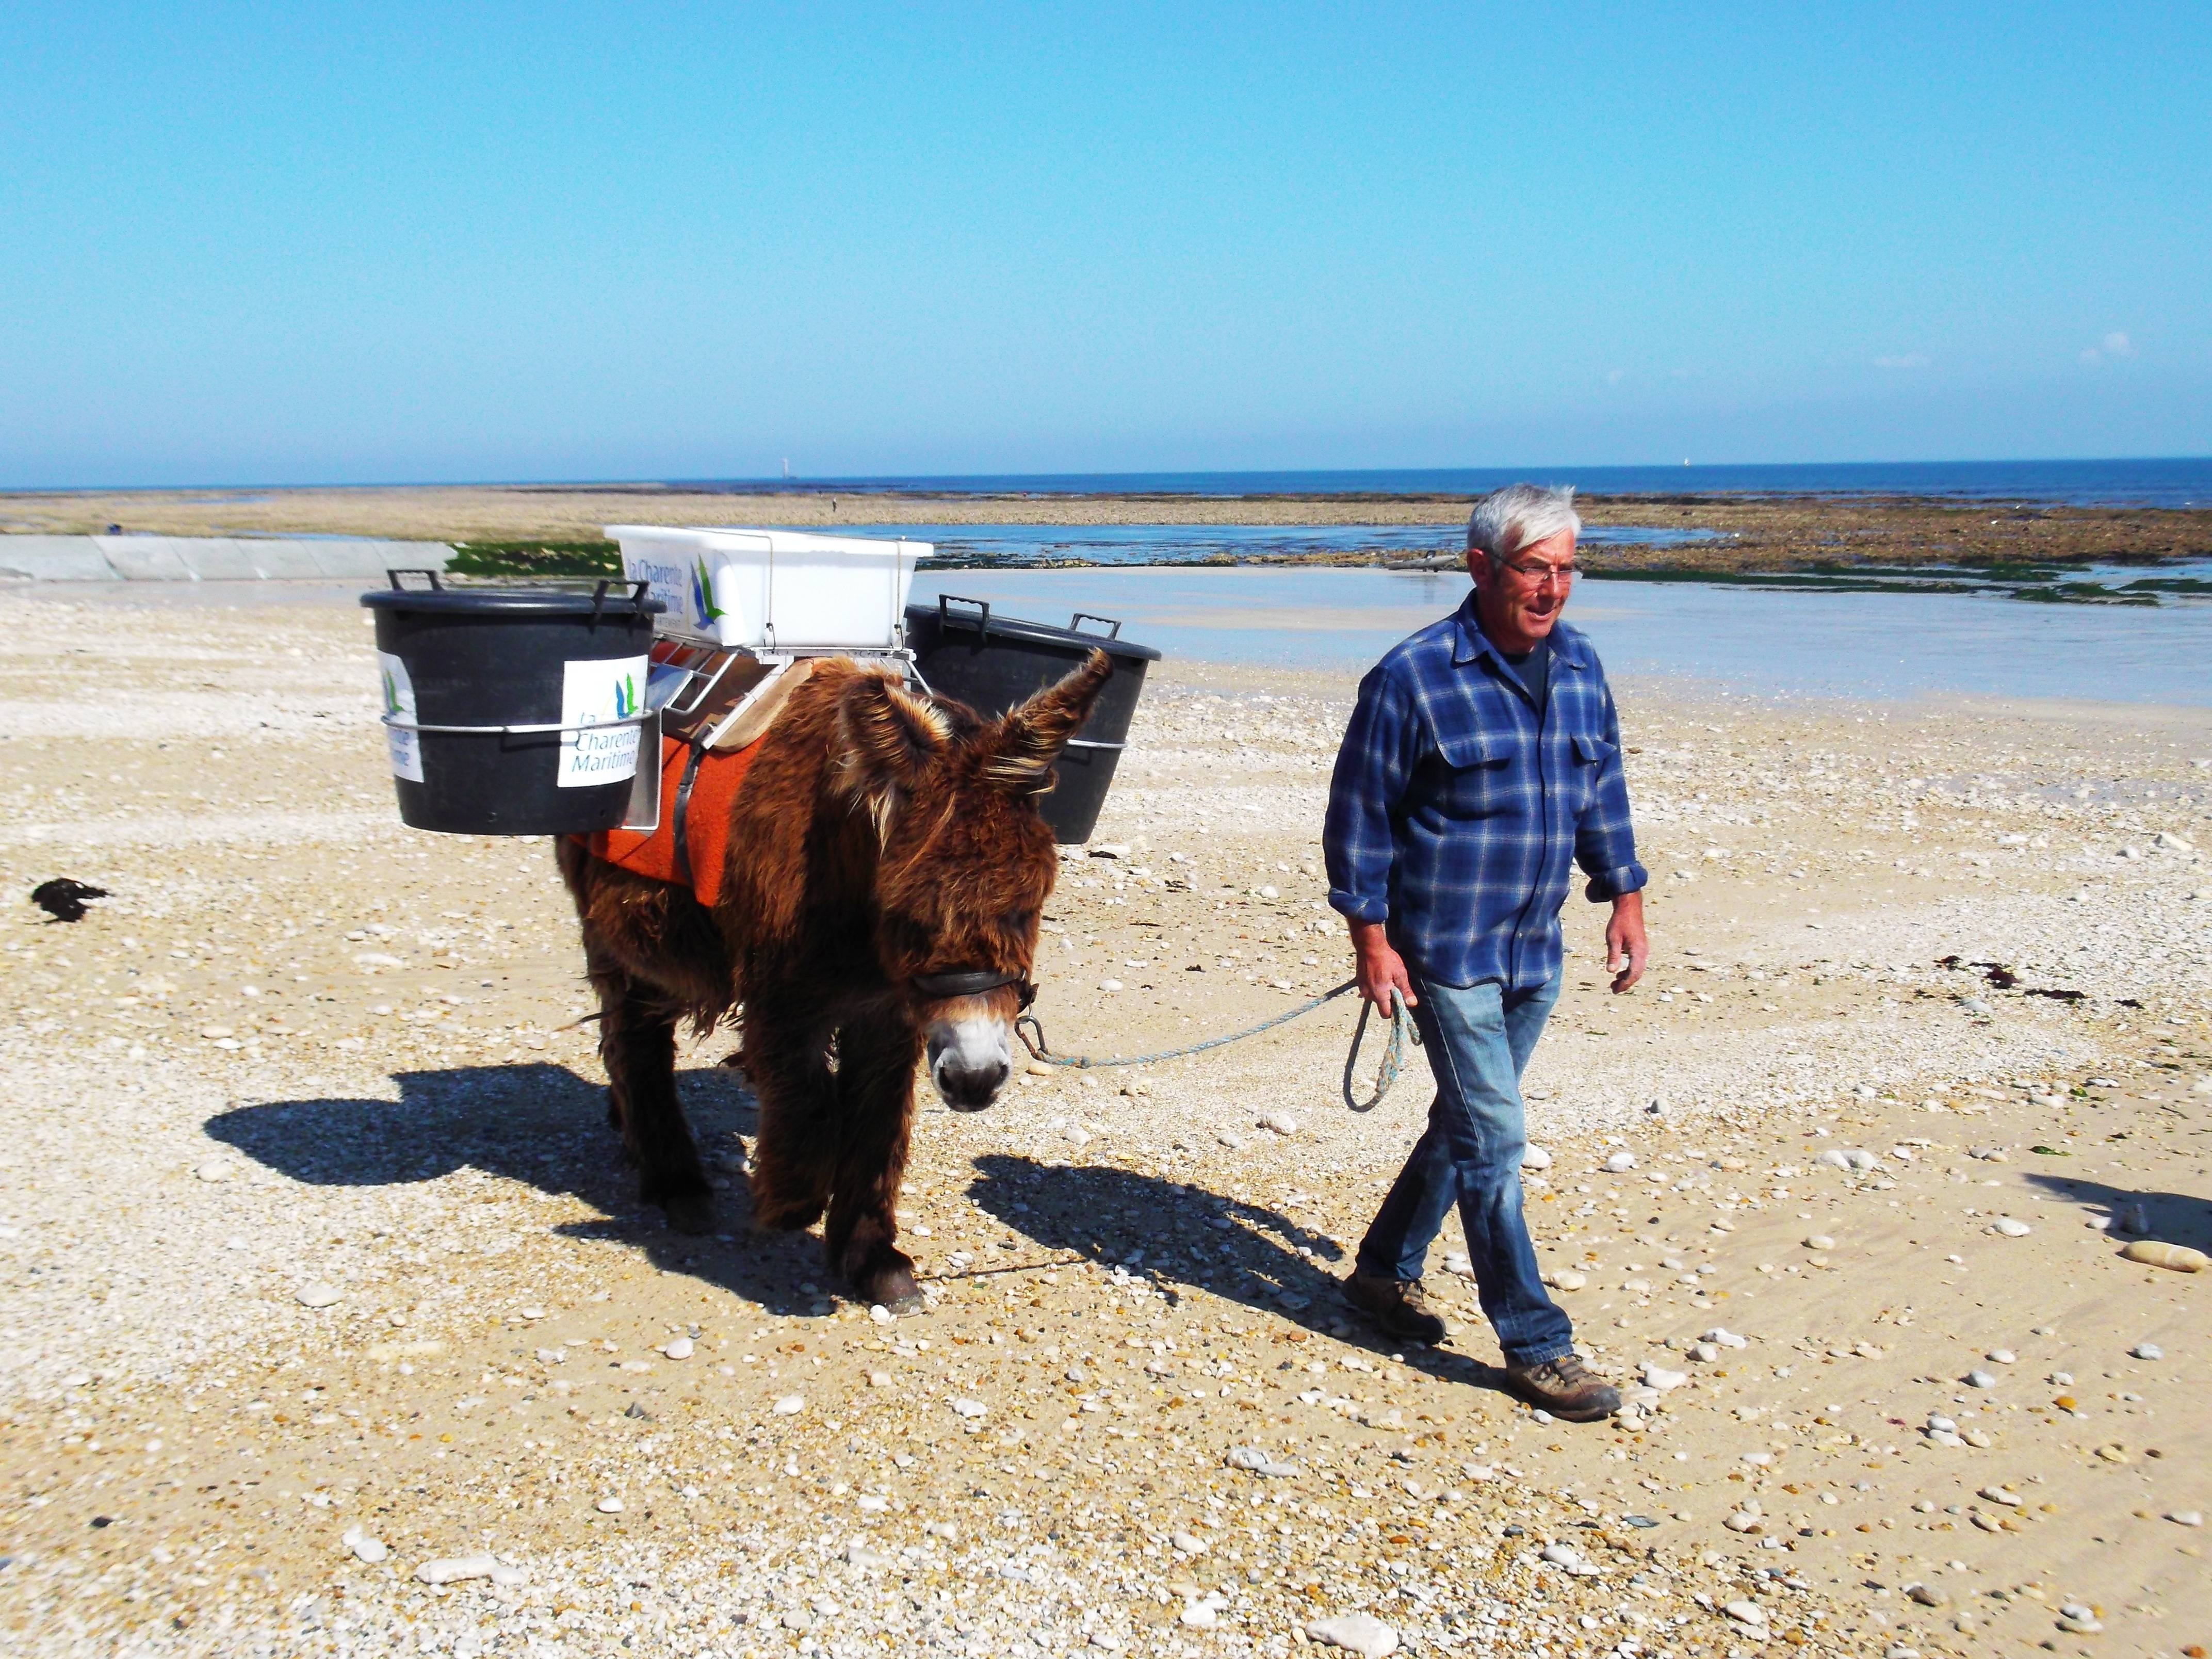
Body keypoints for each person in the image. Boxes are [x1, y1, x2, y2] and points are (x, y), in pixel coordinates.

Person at [1322, 482, 1649, 1421]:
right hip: (1444, 951)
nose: (1554, 589)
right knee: (1497, 1139)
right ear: (1480, 567)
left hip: (1532, 950)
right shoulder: (1412, 676)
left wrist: (1624, 895)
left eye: (1567, 569)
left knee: (1465, 1128)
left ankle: (1379, 1276)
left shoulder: (1581, 665)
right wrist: (1371, 939)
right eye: (1536, 569)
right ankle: (1537, 1346)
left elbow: (1603, 790)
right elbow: (1360, 817)